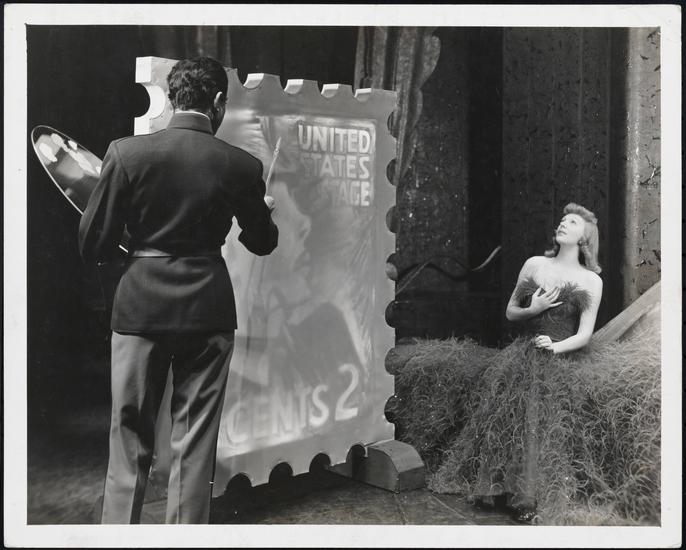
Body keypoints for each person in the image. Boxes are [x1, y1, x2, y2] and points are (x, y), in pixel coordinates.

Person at [78, 56, 278, 524]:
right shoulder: (241, 165)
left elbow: (92, 244)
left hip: (139, 307)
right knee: (194, 445)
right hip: (207, 310)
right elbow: (262, 241)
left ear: (172, 99)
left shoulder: (126, 154)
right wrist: (264, 211)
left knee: (129, 437)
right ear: (218, 102)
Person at [390, 203, 660, 525]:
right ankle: (504, 487)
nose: (563, 223)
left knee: (541, 408)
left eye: (572, 222)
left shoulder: (591, 281)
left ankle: (528, 494)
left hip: (562, 358)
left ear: (585, 237)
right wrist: (534, 309)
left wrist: (555, 347)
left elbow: (584, 335)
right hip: (525, 353)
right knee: (520, 401)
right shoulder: (534, 264)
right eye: (562, 220)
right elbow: (511, 312)